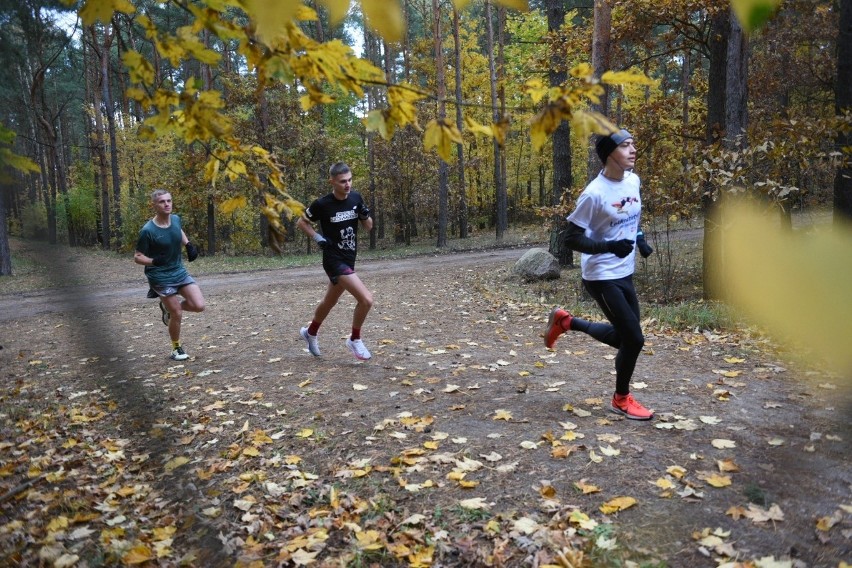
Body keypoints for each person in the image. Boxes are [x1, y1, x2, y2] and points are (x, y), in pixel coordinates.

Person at [543, 128, 655, 420]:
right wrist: (608, 247)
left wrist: (639, 238)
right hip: (601, 275)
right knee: (634, 339)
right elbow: (570, 239)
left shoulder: (633, 180)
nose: (633, 150)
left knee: (627, 338)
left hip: (625, 270)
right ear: (609, 154)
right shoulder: (593, 194)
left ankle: (567, 322)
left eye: (633, 144)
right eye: (625, 146)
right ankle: (621, 399)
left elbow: (630, 216)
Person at [296, 162, 374, 361]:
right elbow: (301, 222)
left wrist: (365, 215)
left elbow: (368, 227)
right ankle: (355, 339)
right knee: (366, 300)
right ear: (332, 181)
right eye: (342, 182)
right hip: (333, 259)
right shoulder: (322, 204)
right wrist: (317, 237)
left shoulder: (356, 198)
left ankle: (310, 332)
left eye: (349, 180)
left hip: (349, 257)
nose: (347, 185)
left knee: (330, 301)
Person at [134, 189, 205, 361]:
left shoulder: (176, 219)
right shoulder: (147, 230)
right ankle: (176, 348)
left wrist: (188, 245)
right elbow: (137, 257)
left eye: (169, 201)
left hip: (178, 271)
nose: (166, 204)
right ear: (154, 205)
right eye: (162, 202)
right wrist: (153, 261)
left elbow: (178, 230)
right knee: (178, 313)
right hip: (159, 275)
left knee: (198, 305)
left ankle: (169, 308)